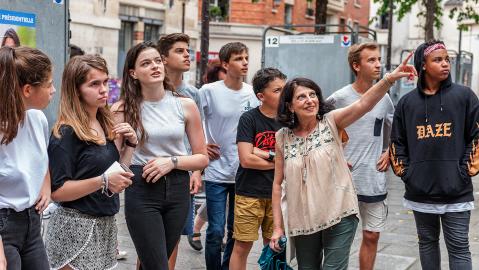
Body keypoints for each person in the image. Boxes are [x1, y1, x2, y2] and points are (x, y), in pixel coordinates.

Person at [269, 54, 416, 269]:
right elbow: (276, 184)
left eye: (313, 95)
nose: (310, 100)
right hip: (303, 218)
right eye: (301, 97)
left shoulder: (331, 121)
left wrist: (389, 79)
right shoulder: (282, 137)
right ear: (290, 106)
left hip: (340, 212)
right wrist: (277, 228)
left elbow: (364, 104)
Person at [117, 41, 208, 270]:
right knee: (158, 265)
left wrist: (172, 162)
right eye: (146, 63)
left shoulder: (185, 105)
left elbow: (202, 157)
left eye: (157, 61)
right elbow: (115, 163)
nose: (155, 66)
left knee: (152, 263)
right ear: (133, 73)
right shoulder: (122, 108)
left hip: (178, 189)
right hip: (142, 186)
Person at [389, 40, 478, 270]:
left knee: (459, 247)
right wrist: (409, 174)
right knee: (427, 244)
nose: (445, 64)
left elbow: (476, 138)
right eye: (438, 60)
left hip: (457, 193)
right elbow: (397, 143)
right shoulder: (406, 103)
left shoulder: (465, 97)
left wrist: (463, 172)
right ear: (424, 65)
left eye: (447, 59)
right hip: (420, 193)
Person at [45, 54, 135, 270]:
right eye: (94, 84)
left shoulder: (104, 122)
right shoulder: (66, 132)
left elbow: (116, 174)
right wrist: (103, 181)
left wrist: (130, 145)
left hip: (105, 225)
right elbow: (57, 191)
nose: (103, 89)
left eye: (105, 81)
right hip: (74, 228)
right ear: (76, 89)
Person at [327, 42, 394, 270]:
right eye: (371, 60)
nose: (378, 64)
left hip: (374, 178)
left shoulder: (385, 99)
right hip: (343, 180)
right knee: (338, 238)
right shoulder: (338, 98)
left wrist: (389, 150)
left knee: (372, 235)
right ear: (356, 66)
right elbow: (319, 132)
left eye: (378, 59)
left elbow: (395, 131)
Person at [199, 41, 260, 270]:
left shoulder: (253, 94)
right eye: (238, 58)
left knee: (237, 230)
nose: (245, 62)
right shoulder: (209, 91)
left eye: (246, 57)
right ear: (225, 63)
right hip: (216, 170)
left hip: (244, 172)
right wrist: (202, 144)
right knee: (215, 230)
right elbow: (194, 122)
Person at [0, 46, 54, 270]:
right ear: (28, 90)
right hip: (4, 225)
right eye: (49, 84)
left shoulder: (38, 119)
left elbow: (42, 158)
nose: (53, 90)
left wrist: (46, 185)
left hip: (31, 222)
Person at [229, 68, 286, 270]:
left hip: (279, 194)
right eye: (278, 90)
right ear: (261, 96)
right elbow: (246, 160)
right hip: (249, 193)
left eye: (285, 88)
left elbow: (292, 158)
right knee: (242, 245)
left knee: (275, 245)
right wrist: (279, 162)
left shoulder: (289, 120)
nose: (284, 94)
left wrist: (261, 152)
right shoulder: (249, 119)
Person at [157, 32, 203, 270]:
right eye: (180, 50)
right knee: (150, 241)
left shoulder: (193, 94)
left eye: (188, 50)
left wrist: (196, 173)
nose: (187, 54)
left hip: (181, 172)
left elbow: (197, 142)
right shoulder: (148, 88)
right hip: (151, 171)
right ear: (163, 58)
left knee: (173, 236)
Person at [188, 59, 227, 252]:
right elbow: (197, 124)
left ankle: (197, 226)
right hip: (209, 156)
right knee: (218, 200)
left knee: (222, 202)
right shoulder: (205, 94)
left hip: (231, 158)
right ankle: (199, 227)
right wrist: (201, 146)